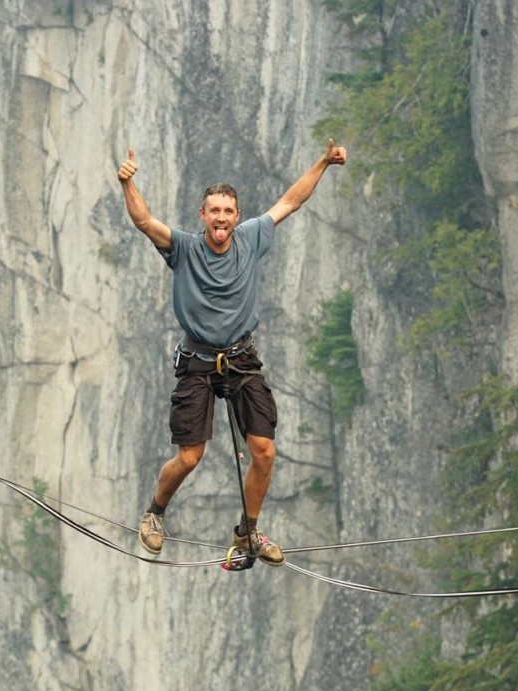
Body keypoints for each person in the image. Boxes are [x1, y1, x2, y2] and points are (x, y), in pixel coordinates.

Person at [117, 139, 347, 565]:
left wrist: (323, 163)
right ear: (202, 215)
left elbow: (291, 201)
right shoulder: (184, 248)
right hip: (198, 361)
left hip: (241, 359)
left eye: (228, 211)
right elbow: (144, 221)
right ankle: (154, 514)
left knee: (264, 451)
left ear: (237, 217)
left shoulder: (251, 238)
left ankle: (248, 533)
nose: (221, 218)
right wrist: (128, 184)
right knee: (190, 456)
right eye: (214, 211)